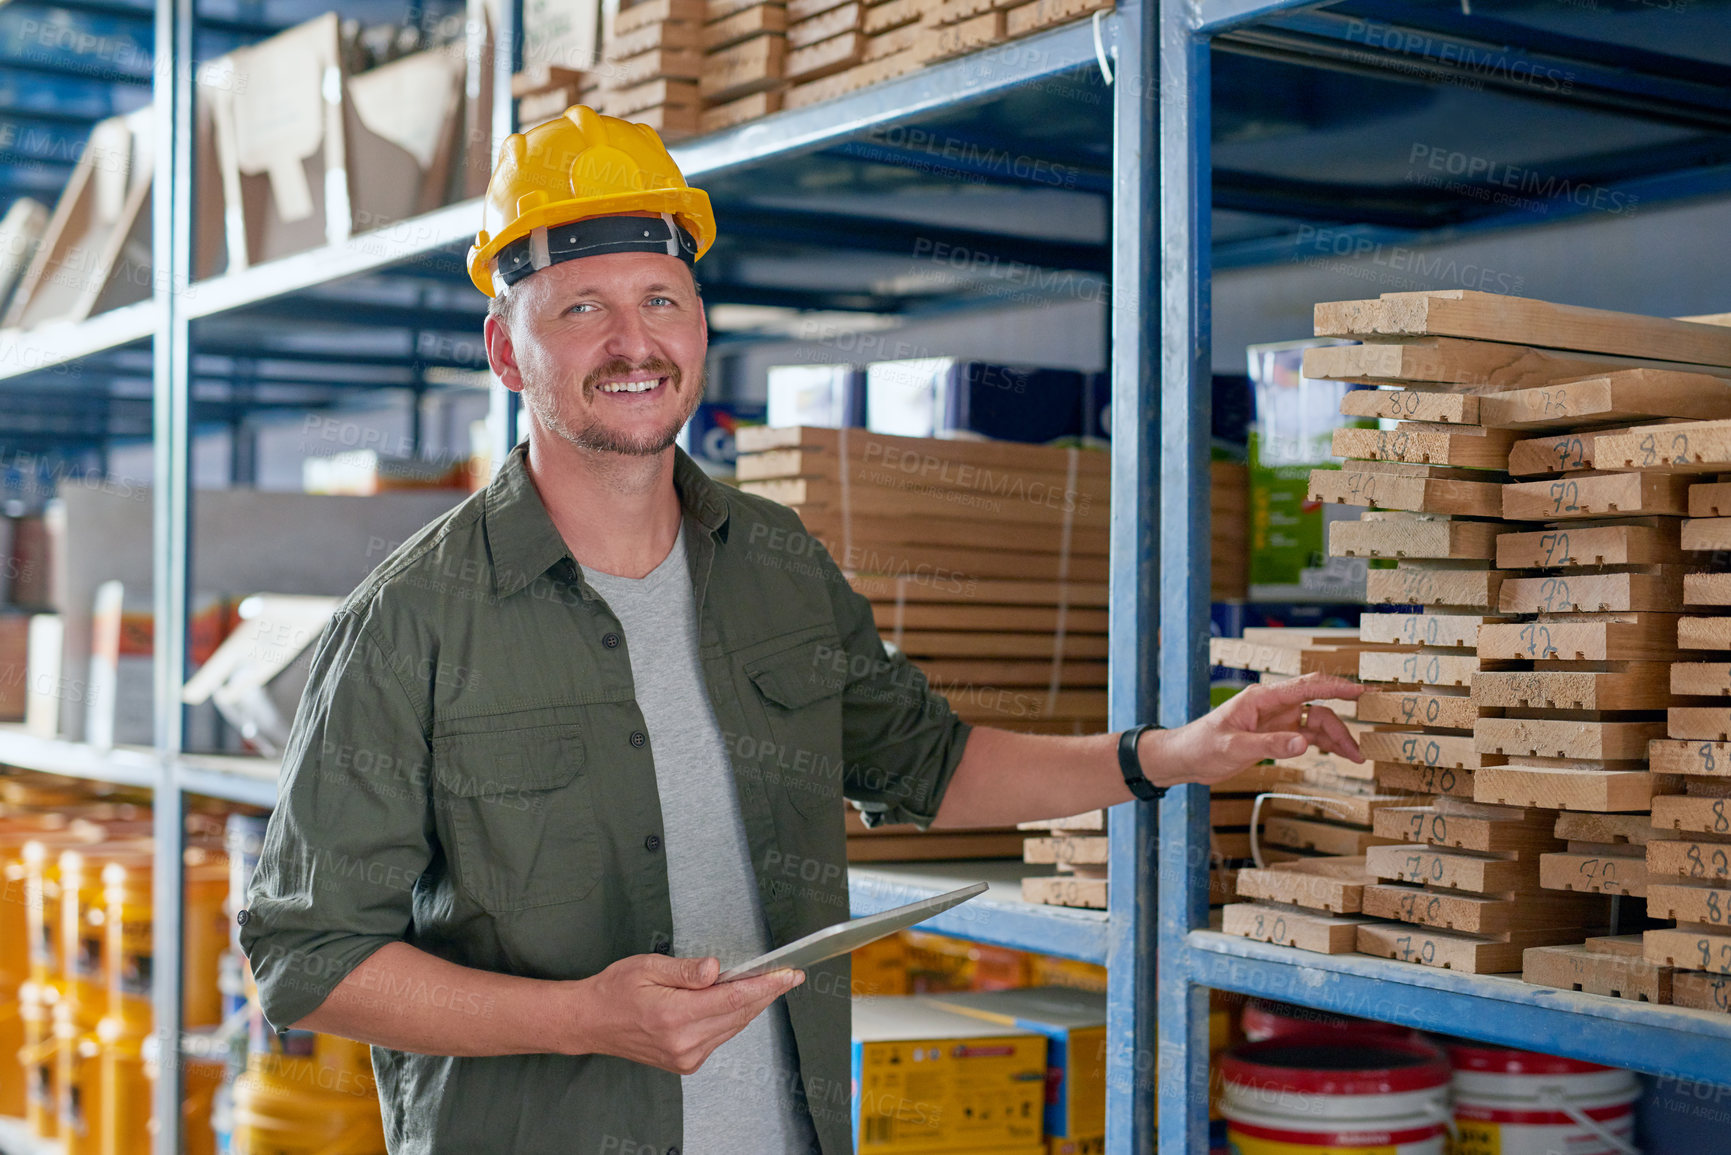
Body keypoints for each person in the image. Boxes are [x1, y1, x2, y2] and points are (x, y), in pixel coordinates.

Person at [240, 106, 1363, 1155]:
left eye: (662, 299)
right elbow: (306, 955)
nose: (634, 342)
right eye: (583, 309)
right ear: (505, 351)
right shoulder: (410, 623)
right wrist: (584, 1016)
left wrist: (1175, 753)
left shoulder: (775, 563)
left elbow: (930, 763)